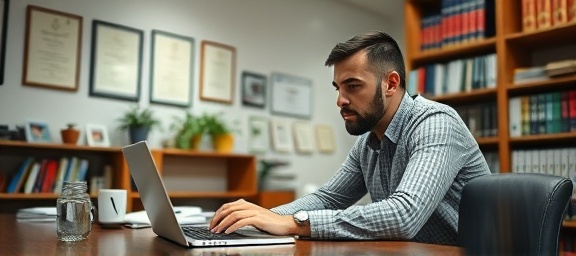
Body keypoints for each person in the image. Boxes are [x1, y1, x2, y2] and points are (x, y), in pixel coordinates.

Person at [209, 31, 491, 245]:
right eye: (338, 88)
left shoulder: (435, 123)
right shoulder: (368, 143)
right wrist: (259, 218)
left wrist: (293, 223)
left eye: (353, 86)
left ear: (391, 83)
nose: (340, 101)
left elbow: (404, 215)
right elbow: (327, 198)